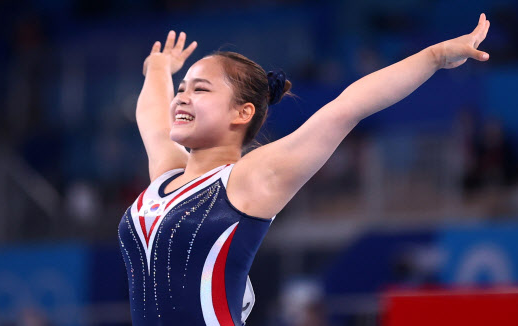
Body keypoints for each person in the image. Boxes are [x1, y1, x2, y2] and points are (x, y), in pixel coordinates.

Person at [118, 14, 490, 326]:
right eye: (181, 89)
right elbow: (151, 115)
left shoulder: (249, 179)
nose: (181, 96)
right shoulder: (167, 175)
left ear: (241, 113)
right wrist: (159, 68)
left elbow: (347, 107)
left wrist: (435, 55)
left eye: (200, 89)